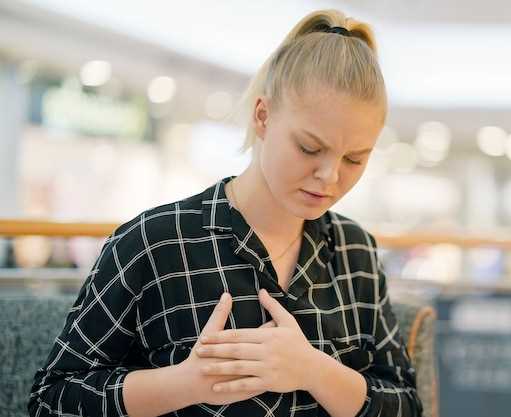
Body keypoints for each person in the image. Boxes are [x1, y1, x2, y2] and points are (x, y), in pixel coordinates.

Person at [28, 8, 422, 417]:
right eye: (309, 148)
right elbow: (51, 401)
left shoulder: (354, 250)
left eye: (355, 159)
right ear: (263, 116)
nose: (330, 176)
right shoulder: (155, 242)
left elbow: (408, 405)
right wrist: (181, 385)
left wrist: (315, 371)